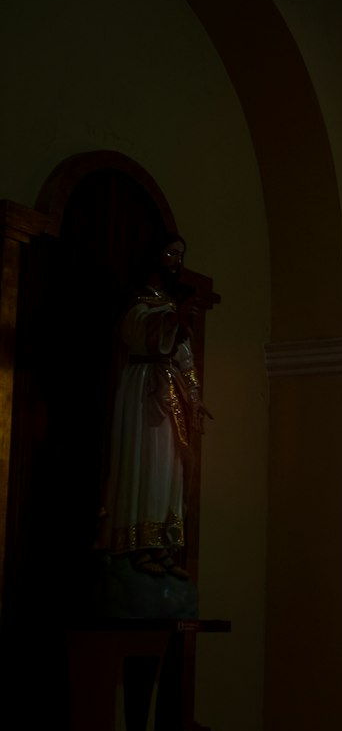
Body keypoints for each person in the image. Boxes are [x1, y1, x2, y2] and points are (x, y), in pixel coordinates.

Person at [98, 233, 207, 579]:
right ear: (155, 255)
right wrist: (172, 320)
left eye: (180, 254)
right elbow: (136, 333)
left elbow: (184, 357)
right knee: (141, 462)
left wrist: (195, 397)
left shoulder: (172, 303)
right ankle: (135, 542)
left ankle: (161, 542)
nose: (177, 259)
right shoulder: (138, 300)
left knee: (168, 467)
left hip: (168, 389)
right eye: (171, 252)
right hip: (142, 386)